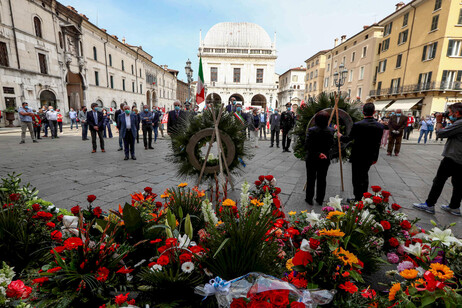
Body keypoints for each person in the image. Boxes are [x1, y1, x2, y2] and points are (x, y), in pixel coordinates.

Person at [413, 103, 462, 216]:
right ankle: (454, 207)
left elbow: (440, 133)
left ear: (457, 113)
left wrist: (439, 121)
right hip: (460, 159)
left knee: (439, 181)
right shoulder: (459, 122)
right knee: (458, 184)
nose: (448, 114)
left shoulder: (460, 124)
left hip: (452, 158)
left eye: (450, 112)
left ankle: (429, 205)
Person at [340, 103, 384, 201]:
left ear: (363, 111)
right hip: (370, 156)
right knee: (364, 176)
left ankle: (357, 198)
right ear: (374, 112)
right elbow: (377, 144)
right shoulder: (380, 126)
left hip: (358, 156)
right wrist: (375, 158)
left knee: (356, 178)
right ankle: (364, 197)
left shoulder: (358, 125)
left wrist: (340, 136)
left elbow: (349, 138)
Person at [305, 111, 335, 205]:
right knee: (322, 179)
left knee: (311, 178)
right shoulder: (331, 131)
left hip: (312, 158)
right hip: (325, 158)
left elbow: (307, 145)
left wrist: (318, 153)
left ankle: (309, 198)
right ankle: (320, 199)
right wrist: (323, 153)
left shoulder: (311, 130)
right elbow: (331, 145)